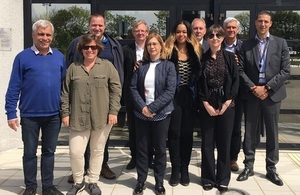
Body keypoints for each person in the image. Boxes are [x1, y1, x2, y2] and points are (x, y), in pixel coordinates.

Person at [5, 20, 65, 195]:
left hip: (54, 115)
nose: (44, 38)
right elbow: (14, 87)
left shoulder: (59, 57)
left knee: (49, 152)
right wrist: (11, 112)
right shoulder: (22, 57)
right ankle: (30, 187)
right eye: (41, 34)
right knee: (30, 153)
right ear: (33, 35)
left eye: (48, 34)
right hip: (30, 115)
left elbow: (64, 86)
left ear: (52, 37)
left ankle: (48, 187)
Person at [66, 13, 124, 181]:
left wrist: (115, 105)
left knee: (100, 142)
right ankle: (80, 169)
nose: (97, 28)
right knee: (79, 144)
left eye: (100, 25)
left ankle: (101, 167)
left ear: (104, 27)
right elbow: (68, 72)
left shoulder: (114, 45)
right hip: (81, 100)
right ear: (89, 26)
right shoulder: (77, 43)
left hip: (103, 102)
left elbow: (118, 74)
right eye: (94, 25)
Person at [237, 11, 290, 186]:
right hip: (252, 94)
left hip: (272, 95)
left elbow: (285, 70)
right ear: (255, 23)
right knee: (250, 132)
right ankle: (248, 166)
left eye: (266, 21)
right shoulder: (246, 45)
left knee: (273, 133)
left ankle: (271, 169)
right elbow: (241, 70)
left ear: (270, 24)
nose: (263, 24)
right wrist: (253, 87)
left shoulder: (280, 43)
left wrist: (267, 87)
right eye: (260, 21)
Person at [130, 32, 177, 195]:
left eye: (155, 44)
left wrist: (152, 108)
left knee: (160, 149)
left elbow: (170, 91)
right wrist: (143, 107)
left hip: (161, 114)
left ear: (161, 46)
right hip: (141, 114)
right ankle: (141, 181)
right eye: (149, 44)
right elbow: (133, 88)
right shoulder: (140, 65)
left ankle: (158, 182)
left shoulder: (169, 66)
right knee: (142, 149)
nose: (152, 47)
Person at [197, 24, 239, 193]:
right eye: (211, 35)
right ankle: (207, 177)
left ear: (223, 38)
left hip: (227, 104)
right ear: (207, 38)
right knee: (207, 143)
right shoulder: (202, 58)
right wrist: (205, 104)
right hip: (207, 104)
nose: (215, 38)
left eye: (218, 35)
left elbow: (236, 81)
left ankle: (223, 178)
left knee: (224, 143)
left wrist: (228, 102)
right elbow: (199, 84)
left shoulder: (230, 57)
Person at [165, 20, 202, 187]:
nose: (181, 34)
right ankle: (175, 168)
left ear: (188, 34)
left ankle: (185, 169)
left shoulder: (196, 50)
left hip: (190, 98)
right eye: (178, 31)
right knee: (174, 134)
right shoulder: (167, 51)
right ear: (174, 33)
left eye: (184, 31)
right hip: (173, 98)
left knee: (187, 135)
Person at [123, 20, 154, 170]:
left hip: (151, 95)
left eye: (143, 30)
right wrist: (133, 68)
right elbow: (122, 73)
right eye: (137, 30)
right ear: (133, 33)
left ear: (147, 33)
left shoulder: (153, 48)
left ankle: (150, 158)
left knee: (151, 129)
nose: (140, 33)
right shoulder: (126, 50)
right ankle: (135, 158)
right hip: (133, 95)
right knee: (134, 129)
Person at [221, 17, 244, 172]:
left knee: (235, 127)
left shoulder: (244, 47)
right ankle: (220, 157)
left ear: (237, 30)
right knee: (219, 128)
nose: (231, 30)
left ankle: (232, 158)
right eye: (228, 27)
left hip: (238, 92)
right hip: (219, 92)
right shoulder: (217, 43)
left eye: (233, 28)